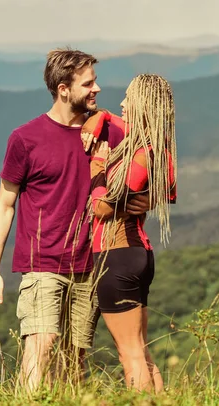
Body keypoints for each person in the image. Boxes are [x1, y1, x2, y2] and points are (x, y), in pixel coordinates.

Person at [0, 48, 151, 392]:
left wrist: (141, 201)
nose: (97, 89)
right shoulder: (25, 139)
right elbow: (4, 205)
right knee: (41, 345)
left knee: (74, 361)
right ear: (63, 89)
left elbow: (152, 165)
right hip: (41, 261)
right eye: (88, 83)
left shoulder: (109, 134)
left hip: (91, 264)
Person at [80, 73, 177, 392]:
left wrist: (97, 168)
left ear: (143, 105)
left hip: (116, 256)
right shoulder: (157, 148)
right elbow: (167, 193)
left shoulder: (139, 154)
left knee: (129, 353)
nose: (121, 103)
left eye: (127, 98)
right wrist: (101, 116)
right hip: (138, 255)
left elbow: (102, 209)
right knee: (142, 351)